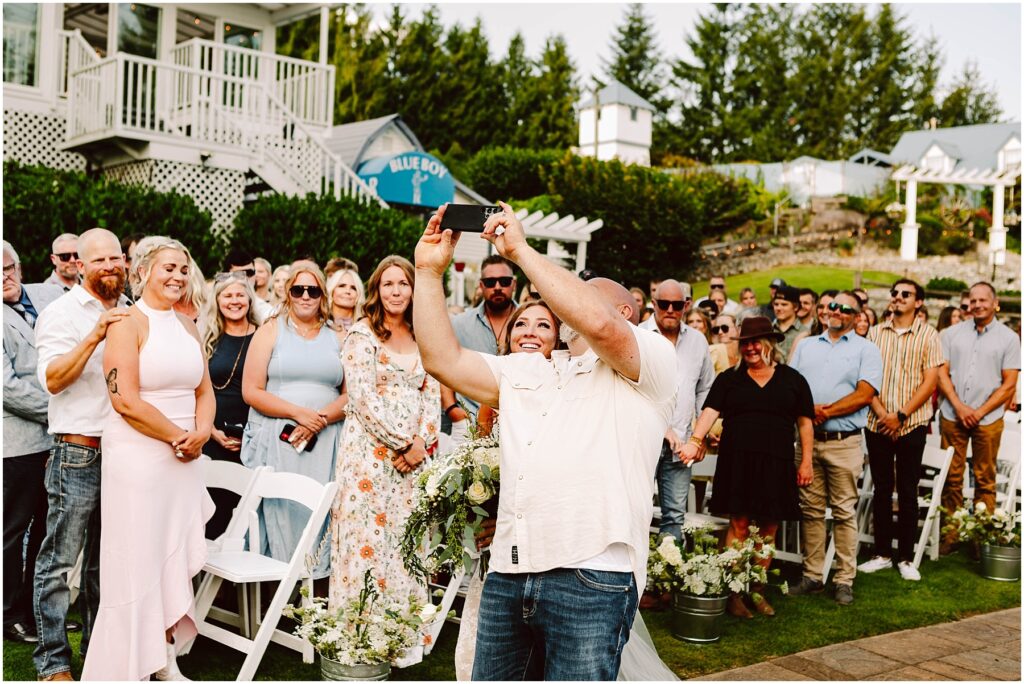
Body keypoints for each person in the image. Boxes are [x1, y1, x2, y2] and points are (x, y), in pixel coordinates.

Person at [413, 202, 676, 680]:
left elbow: (600, 327)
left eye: (579, 293)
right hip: (510, 570)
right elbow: (441, 360)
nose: (562, 301)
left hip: (593, 575)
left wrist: (519, 251)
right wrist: (427, 272)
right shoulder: (532, 367)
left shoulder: (653, 361)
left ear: (625, 311)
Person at [83, 236, 215, 681]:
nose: (177, 276)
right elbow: (125, 402)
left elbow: (204, 391)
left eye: (183, 268)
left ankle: (166, 661)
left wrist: (200, 434)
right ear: (142, 272)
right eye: (168, 268)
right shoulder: (127, 323)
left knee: (169, 558)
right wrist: (180, 436)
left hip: (185, 457)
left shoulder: (188, 325)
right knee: (138, 559)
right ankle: (129, 663)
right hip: (140, 457)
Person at [329, 255, 439, 661]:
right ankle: (359, 641)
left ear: (413, 291)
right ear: (377, 289)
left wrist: (422, 445)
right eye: (389, 284)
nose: (396, 291)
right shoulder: (361, 335)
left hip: (413, 463)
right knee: (366, 543)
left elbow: (432, 395)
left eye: (404, 284)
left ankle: (401, 640)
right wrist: (401, 443)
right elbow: (362, 398)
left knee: (405, 543)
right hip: (368, 459)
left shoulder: (423, 336)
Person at [33, 228, 131, 682]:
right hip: (77, 453)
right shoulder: (61, 313)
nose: (110, 266)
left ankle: (98, 655)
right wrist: (94, 335)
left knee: (105, 565)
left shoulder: (133, 310)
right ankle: (53, 662)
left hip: (125, 455)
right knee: (59, 563)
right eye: (100, 260)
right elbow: (53, 379)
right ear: (79, 266)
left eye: (117, 258)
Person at [455, 299, 563, 680]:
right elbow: (477, 462)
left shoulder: (566, 394)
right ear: (509, 336)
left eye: (543, 326)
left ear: (558, 338)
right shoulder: (492, 396)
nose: (530, 332)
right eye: (522, 325)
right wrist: (481, 511)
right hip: (499, 543)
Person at [681, 316, 814, 618]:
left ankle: (757, 589)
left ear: (770, 344)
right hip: (737, 462)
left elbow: (805, 424)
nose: (751, 348)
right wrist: (695, 439)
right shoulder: (729, 379)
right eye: (746, 343)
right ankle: (733, 591)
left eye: (756, 342)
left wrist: (806, 461)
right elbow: (709, 411)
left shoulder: (793, 380)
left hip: (776, 464)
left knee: (768, 528)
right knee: (739, 526)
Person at [240, 261, 346, 578]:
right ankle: (276, 588)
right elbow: (251, 390)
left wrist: (321, 419)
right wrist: (298, 413)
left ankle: (316, 587)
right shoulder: (270, 331)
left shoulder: (338, 336)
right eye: (298, 289)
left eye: (312, 290)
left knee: (320, 510)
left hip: (326, 440)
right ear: (288, 293)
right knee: (281, 507)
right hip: (280, 436)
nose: (305, 296)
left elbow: (351, 393)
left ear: (322, 295)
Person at [788, 292, 882, 606]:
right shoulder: (806, 345)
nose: (836, 311)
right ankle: (813, 575)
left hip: (845, 443)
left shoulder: (866, 349)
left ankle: (844, 579)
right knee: (811, 511)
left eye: (844, 308)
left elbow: (865, 394)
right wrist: (806, 410)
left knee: (844, 512)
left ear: (857, 315)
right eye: (831, 306)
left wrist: (825, 412)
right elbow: (792, 386)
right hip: (809, 442)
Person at [859, 279, 943, 582]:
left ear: (918, 302)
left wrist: (902, 415)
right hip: (878, 420)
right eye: (895, 293)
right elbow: (866, 376)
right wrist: (884, 414)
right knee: (881, 488)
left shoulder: (929, 335)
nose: (897, 297)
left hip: (912, 422)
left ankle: (906, 557)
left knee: (907, 490)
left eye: (905, 294)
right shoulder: (875, 333)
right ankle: (881, 553)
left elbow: (930, 380)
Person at [3, 242, 63, 646]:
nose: (2, 277)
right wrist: (59, 409)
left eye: (6, 268)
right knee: (13, 531)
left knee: (44, 529)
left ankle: (37, 612)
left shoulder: (43, 300)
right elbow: (6, 387)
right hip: (16, 444)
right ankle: (9, 614)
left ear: (19, 267)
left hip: (50, 442)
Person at [937, 282, 1021, 554]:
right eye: (973, 300)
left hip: (989, 418)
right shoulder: (950, 334)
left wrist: (979, 411)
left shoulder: (1009, 338)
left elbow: (1009, 384)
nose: (977, 305)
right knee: (951, 477)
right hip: (953, 414)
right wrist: (960, 407)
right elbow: (942, 373)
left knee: (985, 478)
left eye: (983, 300)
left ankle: (981, 538)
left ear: (994, 303)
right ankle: (951, 535)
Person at [649, 281, 715, 542]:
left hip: (682, 443)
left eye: (677, 305)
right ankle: (635, 577)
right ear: (654, 304)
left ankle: (667, 576)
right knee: (637, 510)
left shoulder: (698, 341)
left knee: (674, 515)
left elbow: (705, 388)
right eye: (664, 304)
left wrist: (700, 434)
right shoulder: (639, 334)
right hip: (643, 439)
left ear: (686, 306)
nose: (670, 310)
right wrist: (661, 427)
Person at [199, 272, 261, 539]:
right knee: (213, 509)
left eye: (240, 294)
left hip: (253, 435)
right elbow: (195, 389)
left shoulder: (264, 336)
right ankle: (210, 577)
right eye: (228, 295)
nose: (234, 301)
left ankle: (240, 578)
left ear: (249, 298)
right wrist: (210, 431)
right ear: (218, 300)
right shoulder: (207, 338)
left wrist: (248, 434)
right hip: (212, 433)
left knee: (245, 511)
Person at [448, 255, 518, 422]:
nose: (498, 287)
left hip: (518, 421)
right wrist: (452, 409)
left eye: (504, 281)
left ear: (514, 284)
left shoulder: (529, 321)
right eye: (490, 282)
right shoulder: (460, 323)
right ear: (481, 285)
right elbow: (446, 363)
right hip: (469, 421)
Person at [224, 248, 274, 323]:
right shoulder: (216, 307)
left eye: (249, 273)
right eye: (239, 274)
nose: (245, 279)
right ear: (227, 275)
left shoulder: (267, 311)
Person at [326, 267, 364, 334]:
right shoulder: (319, 323)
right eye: (342, 286)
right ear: (332, 291)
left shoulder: (366, 326)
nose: (347, 291)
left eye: (353, 288)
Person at [772, 286, 806, 360]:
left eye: (784, 304)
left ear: (796, 307)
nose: (778, 308)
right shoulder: (768, 330)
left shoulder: (805, 332)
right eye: (776, 304)